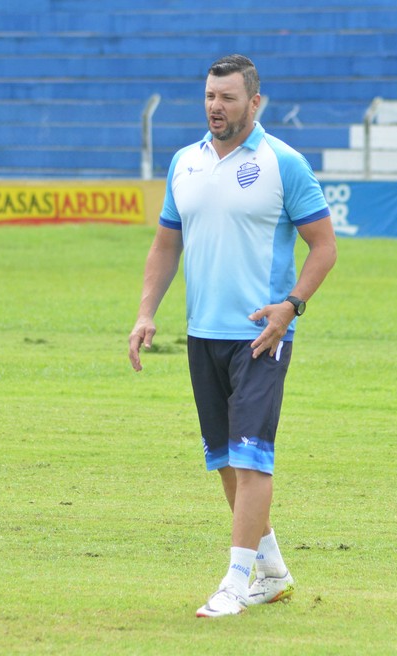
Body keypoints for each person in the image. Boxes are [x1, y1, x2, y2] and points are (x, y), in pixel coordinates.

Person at [127, 54, 337, 618]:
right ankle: (272, 573)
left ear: (254, 102)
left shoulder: (284, 163)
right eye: (209, 96)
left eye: (227, 97)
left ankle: (236, 582)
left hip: (261, 336)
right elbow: (166, 244)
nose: (215, 107)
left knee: (252, 460)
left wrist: (290, 307)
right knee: (223, 459)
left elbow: (324, 247)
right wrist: (146, 312)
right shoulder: (184, 162)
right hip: (202, 334)